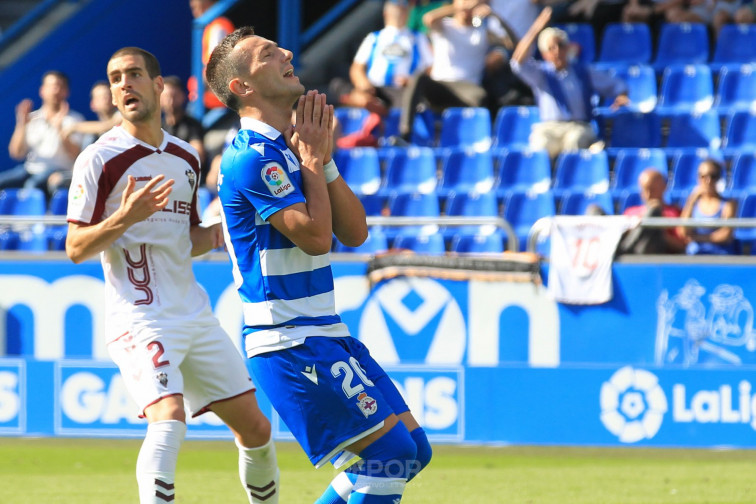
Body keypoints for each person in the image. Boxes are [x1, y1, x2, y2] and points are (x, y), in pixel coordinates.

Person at [205, 27, 432, 503]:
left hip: (323, 329)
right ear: (241, 87)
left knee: (412, 450)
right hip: (286, 339)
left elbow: (355, 233)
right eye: (268, 54)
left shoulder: (291, 147)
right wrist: (311, 159)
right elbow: (313, 238)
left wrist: (321, 161)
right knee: (388, 453)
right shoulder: (251, 157)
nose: (287, 52)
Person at [65, 46, 279, 504]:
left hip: (193, 315)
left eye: (134, 74)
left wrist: (229, 230)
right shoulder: (99, 159)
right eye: (115, 77)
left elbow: (188, 238)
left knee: (257, 428)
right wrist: (125, 217)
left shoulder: (185, 157)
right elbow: (75, 248)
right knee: (169, 416)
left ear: (158, 85)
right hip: (139, 319)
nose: (124, 84)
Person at [511, 7, 629, 159]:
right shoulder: (541, 73)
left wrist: (622, 94)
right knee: (540, 144)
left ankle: (570, 179)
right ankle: (545, 180)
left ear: (567, 47)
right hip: (550, 127)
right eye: (551, 48)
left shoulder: (583, 71)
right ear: (545, 54)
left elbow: (616, 85)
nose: (557, 51)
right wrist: (535, 29)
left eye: (560, 45)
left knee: (574, 142)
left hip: (578, 126)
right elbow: (517, 62)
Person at [396, 0, 519, 143]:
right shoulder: (444, 26)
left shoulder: (483, 32)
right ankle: (405, 133)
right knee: (418, 78)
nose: (468, 6)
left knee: (480, 97)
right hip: (440, 85)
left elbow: (512, 44)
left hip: (467, 90)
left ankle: (479, 140)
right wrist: (458, 8)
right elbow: (428, 19)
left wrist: (495, 16)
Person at [330, 0, 434, 147]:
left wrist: (411, 81)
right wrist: (363, 84)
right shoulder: (374, 38)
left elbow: (430, 68)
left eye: (402, 8)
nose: (399, 11)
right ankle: (367, 101)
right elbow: (357, 68)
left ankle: (384, 115)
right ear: (386, 13)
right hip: (375, 90)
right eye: (396, 8)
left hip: (403, 92)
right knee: (337, 84)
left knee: (414, 96)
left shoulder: (418, 38)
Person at [5, 70, 85, 194]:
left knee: (32, 186)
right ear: (42, 90)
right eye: (52, 86)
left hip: (57, 171)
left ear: (66, 92)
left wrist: (60, 128)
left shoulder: (75, 119)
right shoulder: (31, 118)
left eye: (60, 86)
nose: (56, 90)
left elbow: (76, 154)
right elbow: (16, 153)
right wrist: (21, 124)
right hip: (29, 170)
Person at [52, 81, 122, 195]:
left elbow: (106, 126)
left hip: (117, 173)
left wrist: (75, 127)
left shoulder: (122, 116)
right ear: (93, 104)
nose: (106, 99)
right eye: (100, 97)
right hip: (95, 174)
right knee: (57, 181)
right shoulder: (92, 134)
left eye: (108, 95)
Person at [617, 168, 687, 255]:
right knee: (596, 210)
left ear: (663, 187)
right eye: (645, 189)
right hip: (633, 254)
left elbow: (682, 245)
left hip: (655, 255)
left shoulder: (674, 212)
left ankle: (626, 248)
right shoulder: (631, 212)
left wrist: (659, 230)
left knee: (654, 212)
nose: (648, 194)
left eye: (652, 189)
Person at [679, 159, 738, 255]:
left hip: (721, 255)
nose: (708, 180)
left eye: (713, 176)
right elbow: (683, 231)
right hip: (696, 256)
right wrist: (691, 202)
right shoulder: (692, 203)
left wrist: (697, 238)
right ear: (698, 178)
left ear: (719, 178)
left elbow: (726, 235)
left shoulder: (728, 204)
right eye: (703, 176)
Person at [187, 0, 235, 111]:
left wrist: (198, 89)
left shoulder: (218, 26)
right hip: (211, 100)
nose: (192, 4)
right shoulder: (210, 26)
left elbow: (215, 67)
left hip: (220, 104)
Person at [161, 75, 207, 174]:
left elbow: (198, 156)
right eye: (166, 96)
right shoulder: (158, 127)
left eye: (174, 96)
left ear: (182, 96)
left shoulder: (193, 125)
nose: (171, 101)